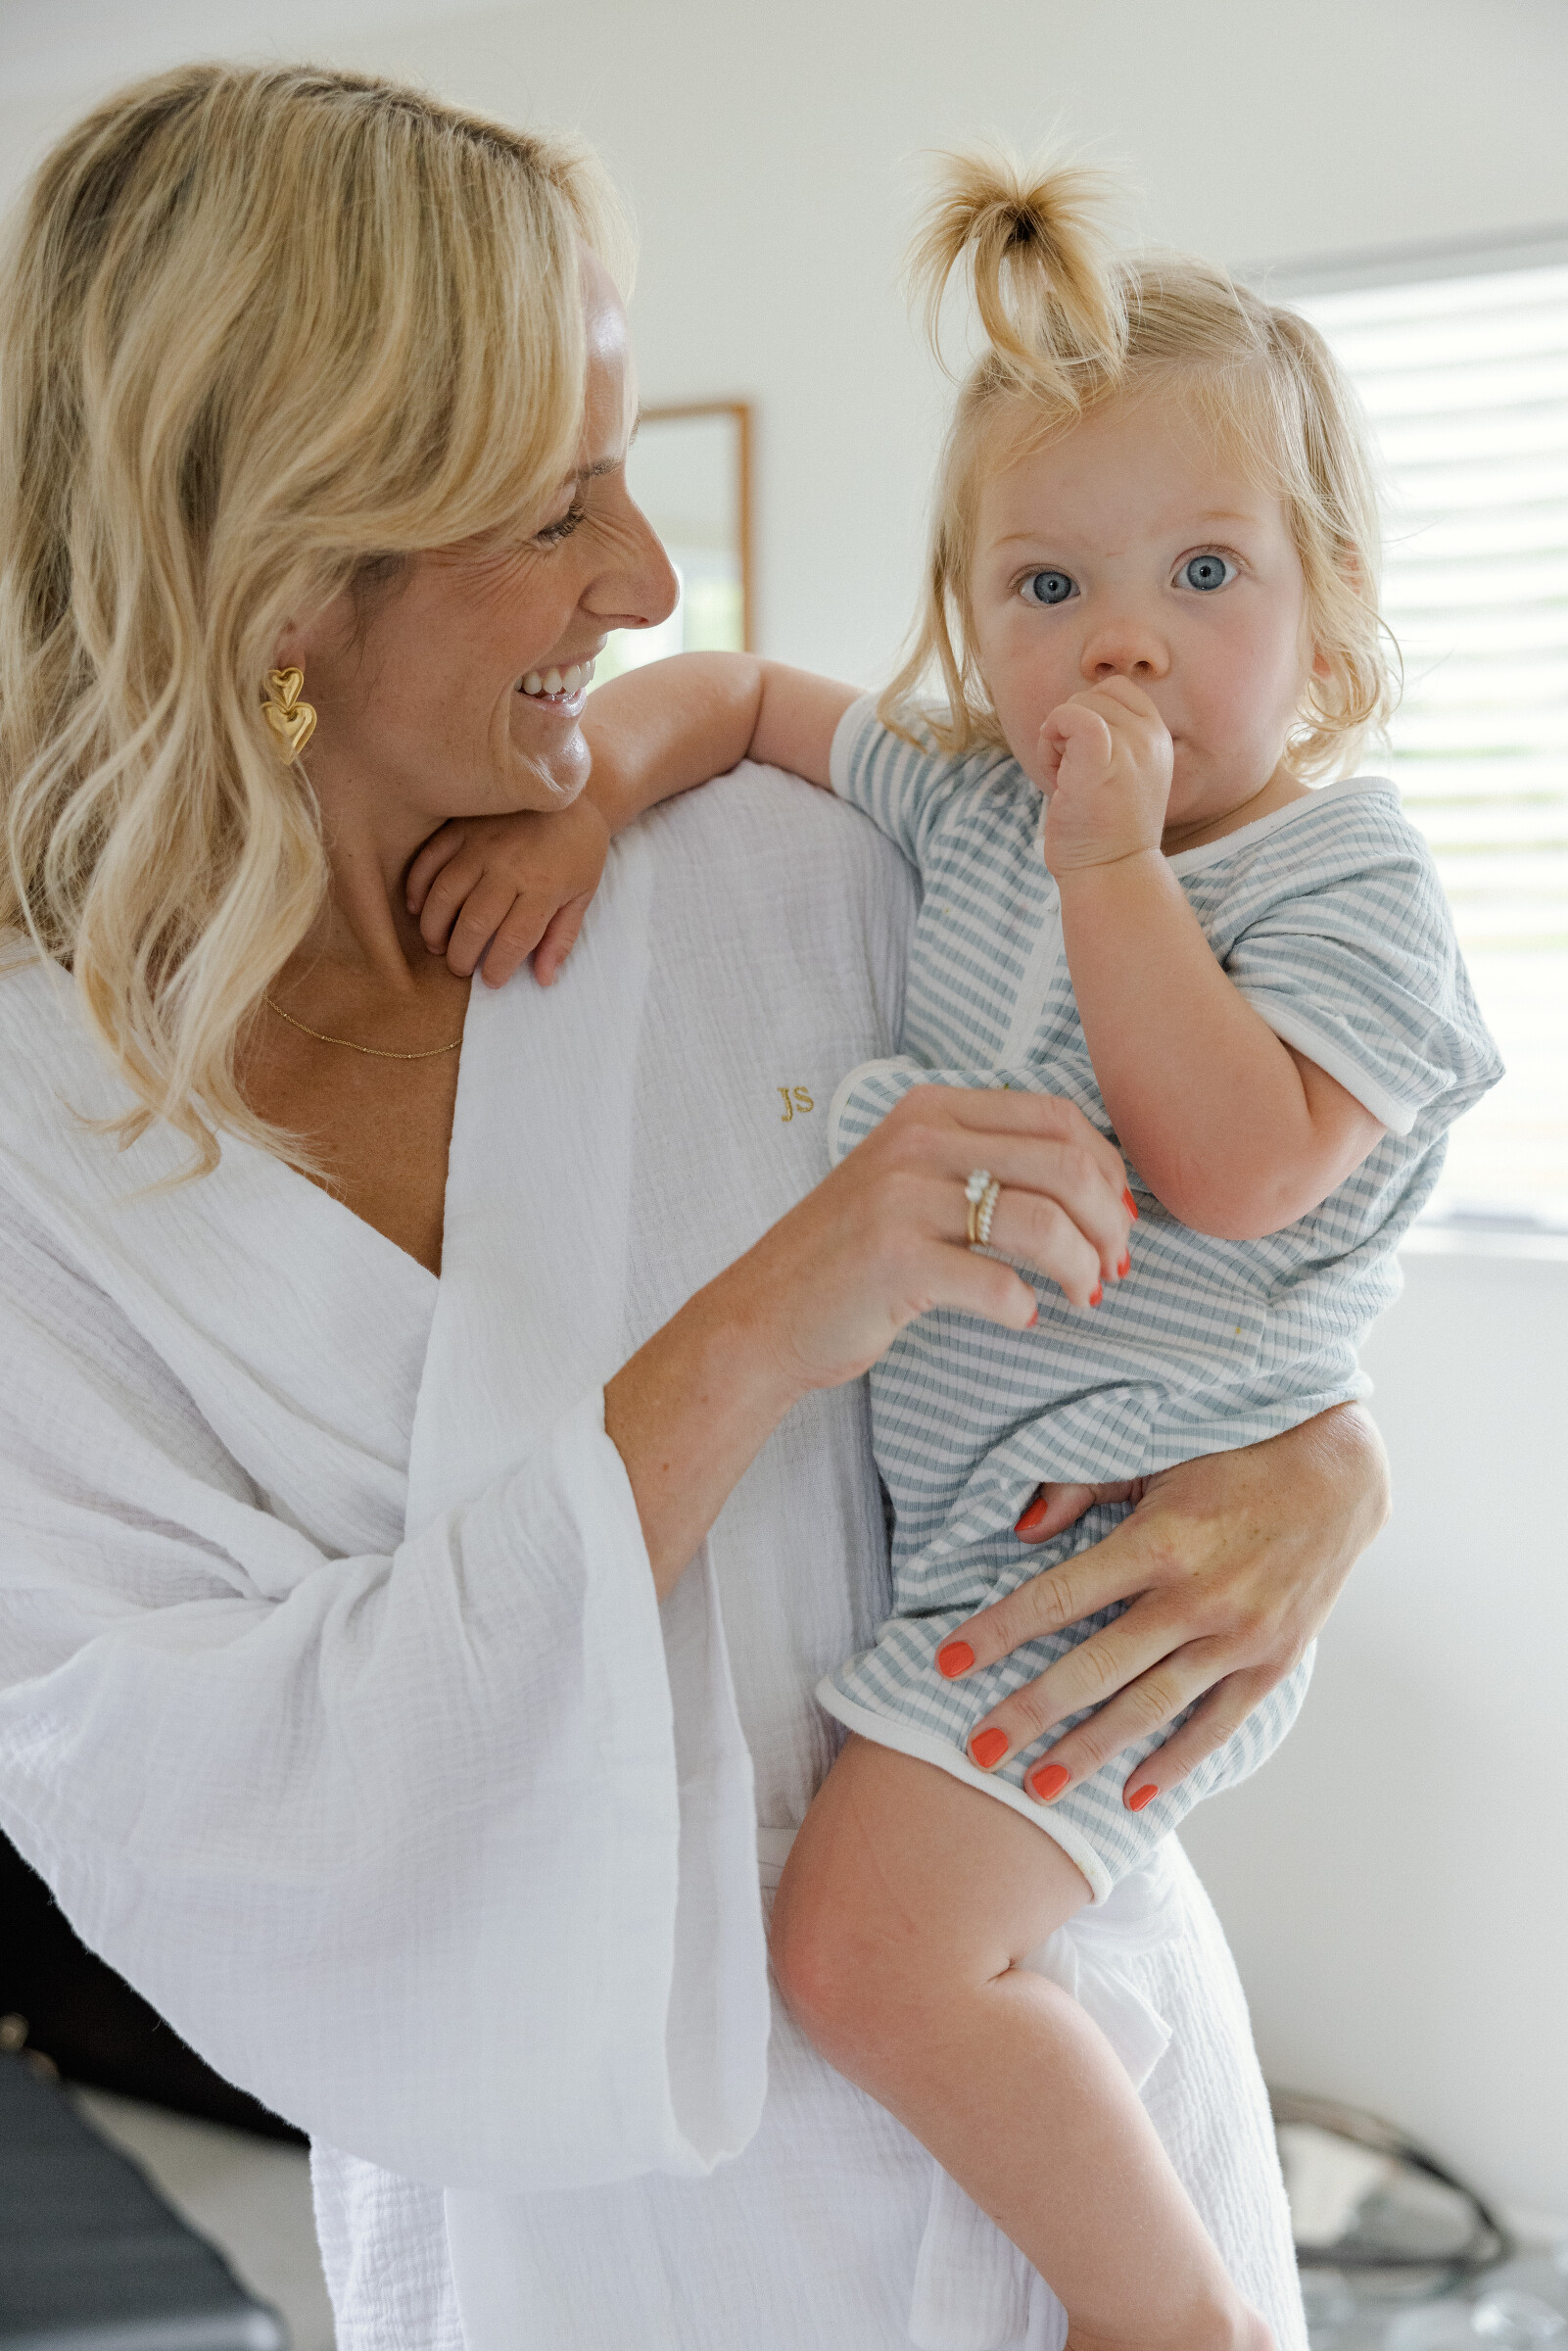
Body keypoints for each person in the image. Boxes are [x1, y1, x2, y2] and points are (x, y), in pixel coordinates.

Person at [0, 67, 1391, 2351]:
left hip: (1082, 2175)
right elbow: (211, 1816)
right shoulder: (44, 1149)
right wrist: (754, 1330)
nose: (647, 583)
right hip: (576, 2261)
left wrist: (1328, 1457)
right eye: (559, 506)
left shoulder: (794, 875)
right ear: (285, 574)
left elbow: (1214, 1204)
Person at [408, 154, 1500, 2349]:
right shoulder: (976, 805)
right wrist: (594, 794)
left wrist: (1114, 870)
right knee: (894, 1952)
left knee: (859, 1956)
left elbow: (1236, 1166)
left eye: (1204, 572)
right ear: (962, 614)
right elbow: (738, 695)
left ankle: (1165, 2314)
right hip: (982, 1551)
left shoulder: (1345, 886)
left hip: (1110, 1574)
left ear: (1333, 616)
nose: (1119, 639)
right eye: (1043, 583)